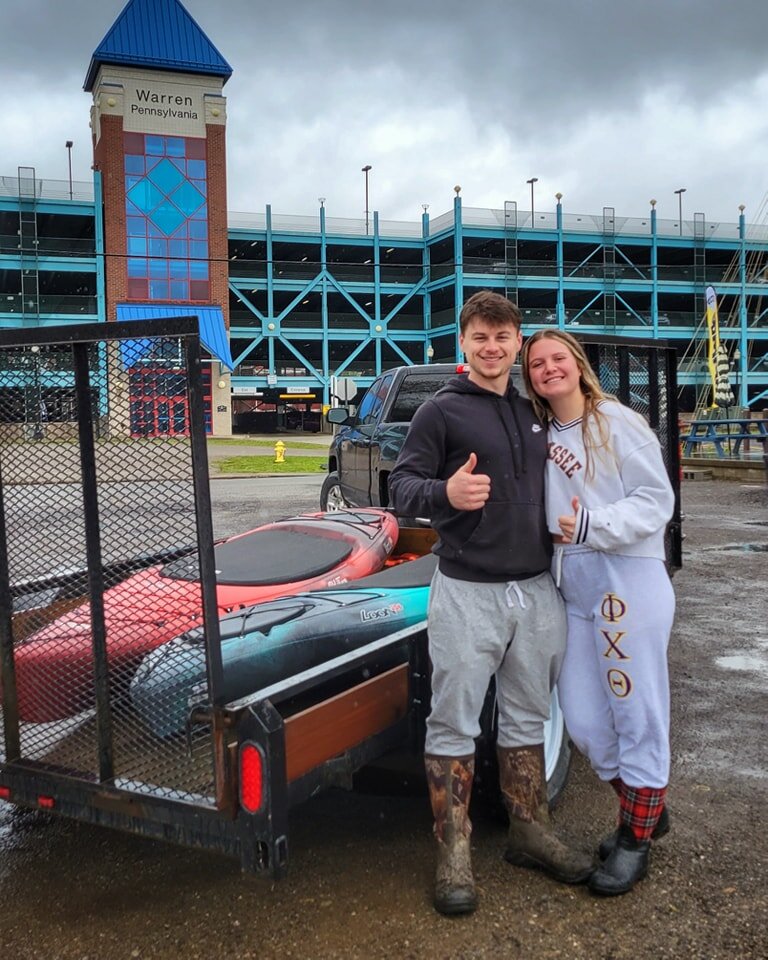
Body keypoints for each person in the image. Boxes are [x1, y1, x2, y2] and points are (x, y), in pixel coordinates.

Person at [389, 292, 593, 917]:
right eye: (480, 336)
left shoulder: (537, 407)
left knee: (528, 714)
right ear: (464, 343)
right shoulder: (439, 411)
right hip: (467, 591)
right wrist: (447, 491)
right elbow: (400, 488)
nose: (492, 347)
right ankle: (454, 849)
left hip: (536, 589)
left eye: (503, 337)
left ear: (516, 342)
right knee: (453, 719)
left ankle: (529, 830)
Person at [522, 329, 675, 897]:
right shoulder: (541, 432)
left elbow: (658, 499)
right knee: (584, 719)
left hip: (623, 581)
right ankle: (645, 807)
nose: (548, 369)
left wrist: (596, 525)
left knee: (638, 712)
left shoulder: (617, 420)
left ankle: (635, 838)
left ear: (577, 364)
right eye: (537, 363)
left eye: (558, 358)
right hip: (573, 587)